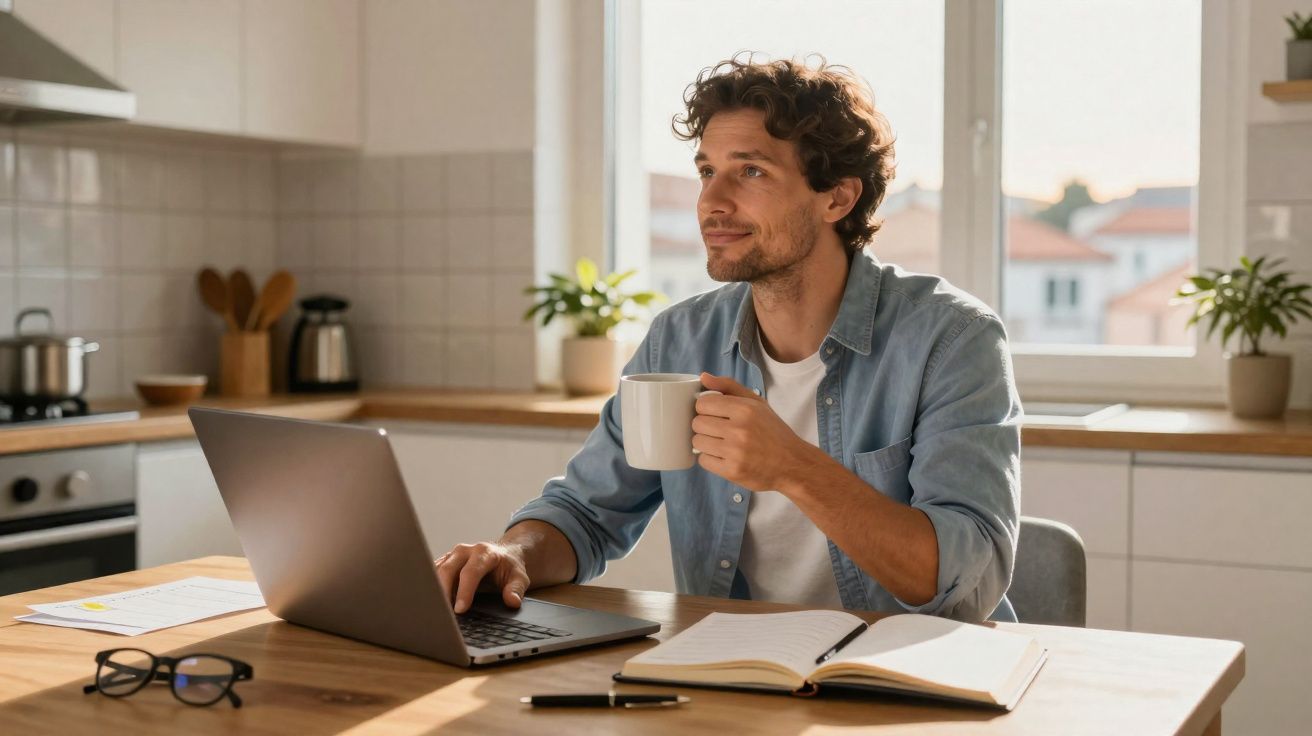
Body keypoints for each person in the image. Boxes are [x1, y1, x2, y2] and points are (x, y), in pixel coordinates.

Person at [436, 55, 1022, 622]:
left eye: (751, 171)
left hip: (905, 674)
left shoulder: (952, 339)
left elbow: (968, 582)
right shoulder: (680, 339)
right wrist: (513, 555)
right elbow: (584, 513)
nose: (711, 202)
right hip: (729, 667)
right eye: (706, 172)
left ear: (837, 197)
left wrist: (794, 467)